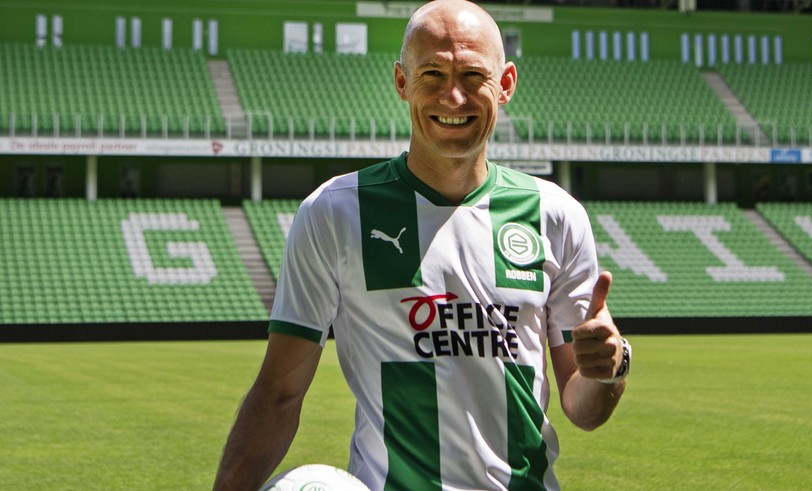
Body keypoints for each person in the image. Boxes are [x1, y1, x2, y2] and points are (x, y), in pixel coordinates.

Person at [213, 1, 630, 489]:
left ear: (507, 84)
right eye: (432, 74)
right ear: (401, 83)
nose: (453, 97)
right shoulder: (335, 213)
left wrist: (611, 368)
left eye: (473, 75)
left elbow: (584, 408)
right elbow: (279, 393)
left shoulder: (555, 215)